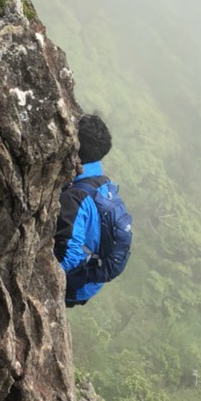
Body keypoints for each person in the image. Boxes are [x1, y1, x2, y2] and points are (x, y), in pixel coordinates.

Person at [53, 113, 132, 307]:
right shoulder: (104, 183)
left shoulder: (76, 197)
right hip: (91, 280)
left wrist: (44, 278)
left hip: (75, 284)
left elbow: (70, 256)